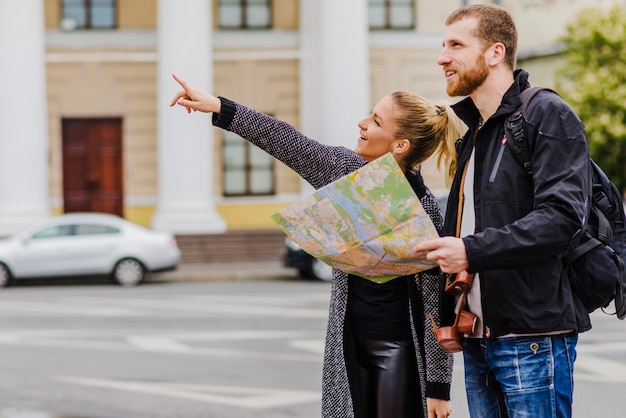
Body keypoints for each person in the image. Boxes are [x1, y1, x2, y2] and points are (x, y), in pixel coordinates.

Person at [170, 73, 466, 418]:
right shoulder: (345, 171)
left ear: (400, 145)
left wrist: (438, 389)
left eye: (375, 120)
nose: (362, 122)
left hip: (401, 348)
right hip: (350, 342)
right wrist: (220, 108)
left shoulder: (425, 210)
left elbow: (436, 308)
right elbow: (288, 141)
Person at [414, 4, 591, 418]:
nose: (442, 57)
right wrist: (448, 315)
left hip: (532, 337)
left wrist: (470, 251)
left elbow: (563, 218)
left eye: (456, 44)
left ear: (495, 53)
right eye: (443, 45)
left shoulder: (546, 114)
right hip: (478, 336)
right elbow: (470, 226)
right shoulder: (474, 132)